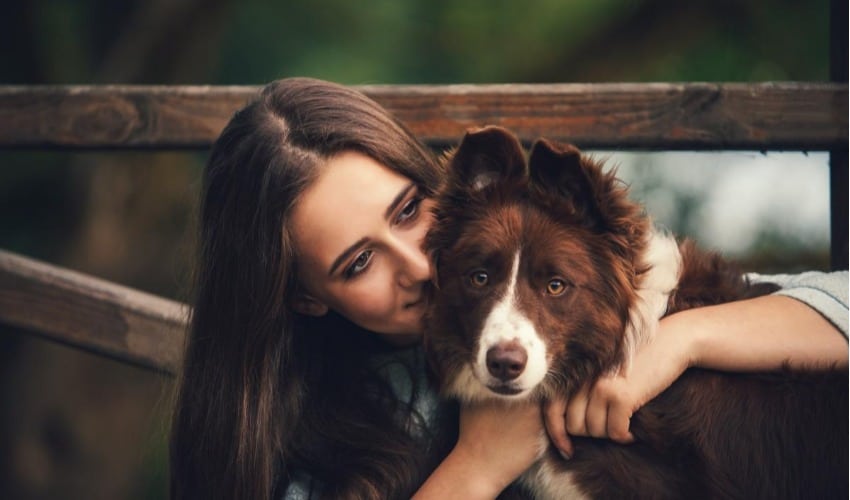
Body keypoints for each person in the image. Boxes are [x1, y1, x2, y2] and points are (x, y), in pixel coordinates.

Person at [169, 77, 849, 500]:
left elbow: (834, 303)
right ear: (305, 298)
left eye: (409, 210)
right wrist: (476, 467)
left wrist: (682, 341)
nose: (421, 264)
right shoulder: (295, 444)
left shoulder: (567, 284)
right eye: (358, 264)